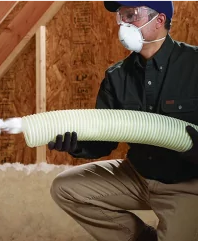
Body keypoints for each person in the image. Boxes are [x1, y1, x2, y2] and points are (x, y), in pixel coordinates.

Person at [48, 0, 198, 240]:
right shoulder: (117, 77)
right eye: (121, 17)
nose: (123, 24)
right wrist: (77, 145)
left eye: (131, 15)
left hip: (185, 184)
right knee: (64, 188)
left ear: (159, 20)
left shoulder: (194, 64)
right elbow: (104, 140)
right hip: (137, 175)